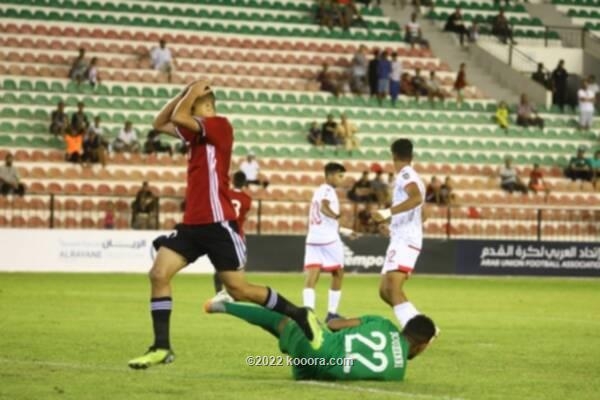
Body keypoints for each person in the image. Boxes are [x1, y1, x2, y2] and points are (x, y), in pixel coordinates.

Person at [128, 80, 321, 369]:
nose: (188, 111)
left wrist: (193, 89)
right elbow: (160, 123)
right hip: (192, 225)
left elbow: (179, 117)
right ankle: (161, 347)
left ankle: (299, 314)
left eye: (193, 106)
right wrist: (184, 93)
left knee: (238, 290)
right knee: (158, 274)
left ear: (205, 107)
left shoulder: (220, 125)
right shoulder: (194, 136)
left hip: (219, 224)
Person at [205, 297, 437, 381]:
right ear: (422, 345)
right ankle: (304, 339)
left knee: (282, 322)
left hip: (322, 343)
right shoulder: (398, 374)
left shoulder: (383, 324)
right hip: (311, 369)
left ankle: (225, 306)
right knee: (302, 359)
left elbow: (334, 324)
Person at [371, 139, 437, 333]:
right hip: (401, 237)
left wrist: (387, 213)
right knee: (385, 291)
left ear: (393, 155)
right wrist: (392, 227)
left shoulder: (405, 174)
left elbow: (416, 199)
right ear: (412, 155)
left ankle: (419, 333)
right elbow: (423, 213)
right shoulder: (413, 177)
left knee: (392, 288)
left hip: (406, 240)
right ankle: (423, 327)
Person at [303, 162, 357, 321]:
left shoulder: (318, 191)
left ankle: (308, 313)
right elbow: (324, 208)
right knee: (338, 273)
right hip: (328, 240)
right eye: (340, 176)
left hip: (313, 239)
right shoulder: (328, 190)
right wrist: (338, 216)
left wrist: (346, 231)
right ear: (331, 175)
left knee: (312, 275)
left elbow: (322, 218)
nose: (341, 179)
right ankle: (332, 313)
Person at [214, 171, 253, 293]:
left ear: (233, 180)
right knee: (239, 265)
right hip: (238, 234)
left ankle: (219, 292)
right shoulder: (247, 199)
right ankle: (236, 291)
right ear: (244, 183)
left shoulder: (226, 194)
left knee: (219, 265)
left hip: (223, 233)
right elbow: (245, 213)